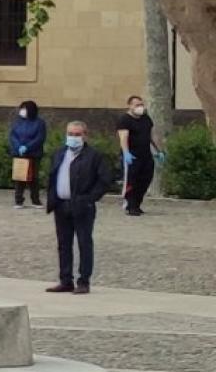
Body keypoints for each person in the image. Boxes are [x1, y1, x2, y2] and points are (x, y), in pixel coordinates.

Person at [46, 120, 113, 293]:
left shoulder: (94, 156)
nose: (73, 138)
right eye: (70, 134)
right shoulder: (59, 153)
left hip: (82, 205)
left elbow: (105, 180)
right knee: (63, 244)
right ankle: (65, 279)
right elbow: (53, 176)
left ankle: (84, 281)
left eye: (77, 134)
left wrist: (89, 198)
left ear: (85, 135)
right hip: (61, 205)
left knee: (84, 242)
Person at [117, 94, 159, 215]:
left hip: (146, 155)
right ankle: (130, 205)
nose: (140, 107)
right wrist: (126, 152)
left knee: (145, 179)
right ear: (130, 106)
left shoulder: (146, 118)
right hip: (132, 156)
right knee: (131, 180)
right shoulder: (124, 120)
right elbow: (123, 137)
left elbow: (150, 136)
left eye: (141, 104)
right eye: (137, 105)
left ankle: (137, 203)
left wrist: (158, 151)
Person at [9, 99, 48, 208]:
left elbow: (40, 138)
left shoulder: (39, 123)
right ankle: (18, 200)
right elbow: (12, 135)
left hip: (33, 154)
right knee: (19, 178)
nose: (22, 111)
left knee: (33, 178)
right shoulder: (17, 122)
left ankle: (35, 200)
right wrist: (18, 146)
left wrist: (28, 147)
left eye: (24, 109)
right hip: (19, 154)